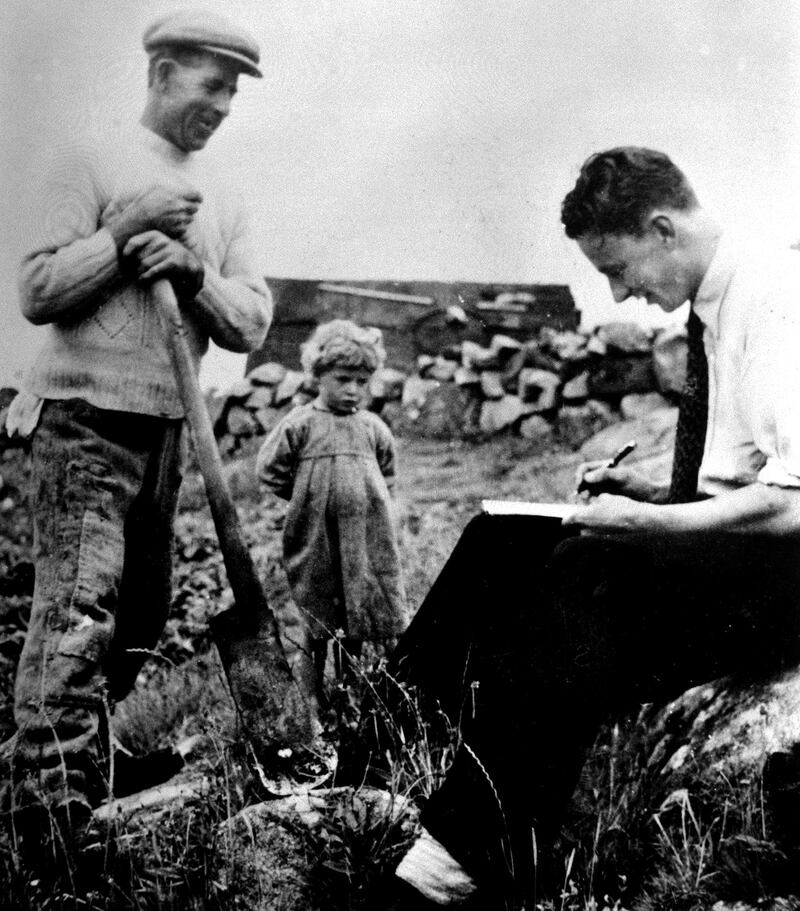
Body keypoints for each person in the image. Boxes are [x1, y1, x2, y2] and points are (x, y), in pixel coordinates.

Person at [377, 147, 800, 909]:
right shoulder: (715, 302)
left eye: (618, 267)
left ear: (663, 228)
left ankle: (470, 855)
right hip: (746, 550)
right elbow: (740, 465)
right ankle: (379, 760)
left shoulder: (776, 293)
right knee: (498, 543)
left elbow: (794, 499)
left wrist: (644, 522)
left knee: (584, 571)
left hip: (786, 580)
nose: (619, 293)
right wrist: (648, 486)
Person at [2, 9, 271, 835]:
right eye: (211, 83)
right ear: (160, 74)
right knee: (79, 610)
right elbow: (38, 291)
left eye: (233, 90)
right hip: (81, 418)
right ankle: (45, 811)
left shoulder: (227, 196)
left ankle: (92, 758)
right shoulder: (91, 159)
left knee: (143, 617)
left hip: (163, 429)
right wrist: (122, 235)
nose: (223, 104)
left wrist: (191, 271)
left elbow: (253, 323)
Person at [256, 319, 406, 723]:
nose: (353, 390)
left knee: (359, 609)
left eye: (362, 380)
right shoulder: (301, 424)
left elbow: (387, 475)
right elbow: (269, 470)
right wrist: (306, 496)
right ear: (318, 375)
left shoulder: (373, 428)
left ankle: (352, 694)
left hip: (364, 539)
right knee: (316, 612)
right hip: (315, 538)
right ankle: (311, 702)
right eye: (343, 379)